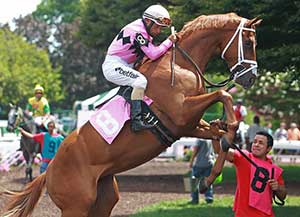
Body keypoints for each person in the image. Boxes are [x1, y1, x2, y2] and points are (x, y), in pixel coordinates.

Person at [102, 4, 178, 132]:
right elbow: (153, 54)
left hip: (124, 65)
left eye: (161, 28)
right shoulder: (138, 31)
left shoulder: (144, 30)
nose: (159, 31)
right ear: (147, 21)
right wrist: (169, 41)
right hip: (114, 66)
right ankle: (136, 121)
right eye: (157, 26)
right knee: (140, 81)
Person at [214, 131, 287, 217]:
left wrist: (277, 188)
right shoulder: (243, 157)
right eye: (255, 141)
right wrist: (215, 134)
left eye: (261, 143)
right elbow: (219, 150)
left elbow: (282, 196)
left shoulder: (274, 170)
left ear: (269, 148)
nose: (256, 144)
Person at [188, 139, 214, 204]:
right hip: (209, 163)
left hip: (199, 164)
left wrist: (191, 161)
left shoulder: (199, 140)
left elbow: (196, 150)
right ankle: (209, 197)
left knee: (194, 182)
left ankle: (194, 199)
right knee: (207, 181)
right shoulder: (209, 139)